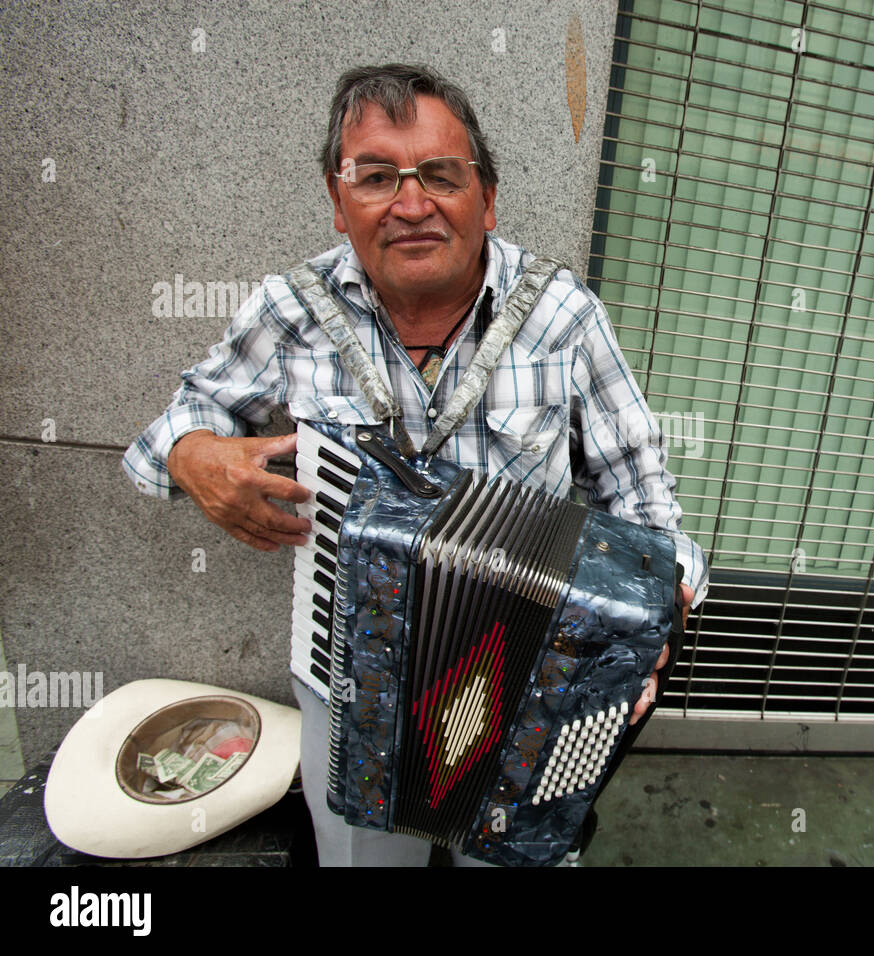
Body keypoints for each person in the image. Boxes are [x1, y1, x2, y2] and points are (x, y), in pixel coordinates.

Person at [123, 63, 708, 866]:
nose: (411, 204)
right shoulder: (292, 312)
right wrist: (196, 458)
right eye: (375, 178)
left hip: (524, 680)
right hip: (346, 675)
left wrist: (654, 616)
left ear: (487, 197)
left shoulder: (564, 316)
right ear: (338, 203)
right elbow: (176, 425)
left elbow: (645, 505)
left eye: (441, 174)